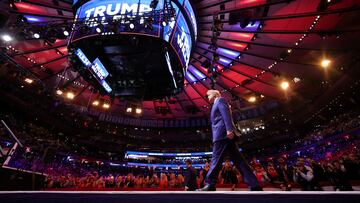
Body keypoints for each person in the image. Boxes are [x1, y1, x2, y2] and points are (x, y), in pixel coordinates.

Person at [198, 90, 262, 191]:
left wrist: (229, 130)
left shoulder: (220, 100)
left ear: (215, 95)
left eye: (208, 95)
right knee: (239, 160)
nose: (207, 97)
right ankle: (254, 184)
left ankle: (210, 183)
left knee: (216, 159)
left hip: (222, 135)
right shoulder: (217, 103)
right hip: (223, 135)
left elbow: (226, 115)